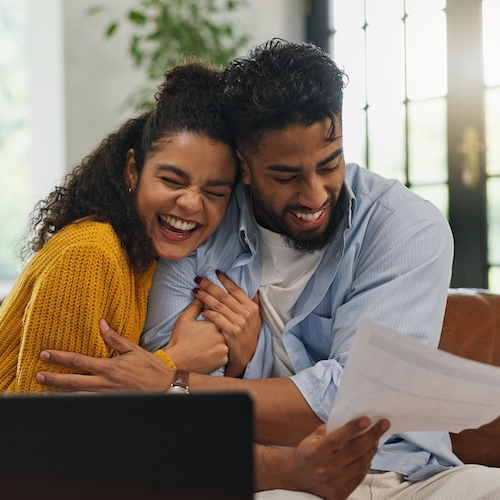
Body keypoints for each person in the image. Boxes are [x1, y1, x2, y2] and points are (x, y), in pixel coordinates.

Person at [35, 39, 500, 499]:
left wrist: (173, 382)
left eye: (329, 164)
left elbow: (354, 403)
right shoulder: (198, 229)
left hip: (411, 476)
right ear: (245, 166)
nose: (315, 194)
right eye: (286, 175)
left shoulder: (404, 226)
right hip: (276, 476)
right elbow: (177, 428)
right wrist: (227, 372)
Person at [0, 61, 261, 391]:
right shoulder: (90, 254)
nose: (192, 203)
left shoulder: (144, 257)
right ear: (132, 170)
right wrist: (175, 365)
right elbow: (47, 429)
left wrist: (236, 364)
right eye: (170, 180)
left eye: (214, 192)